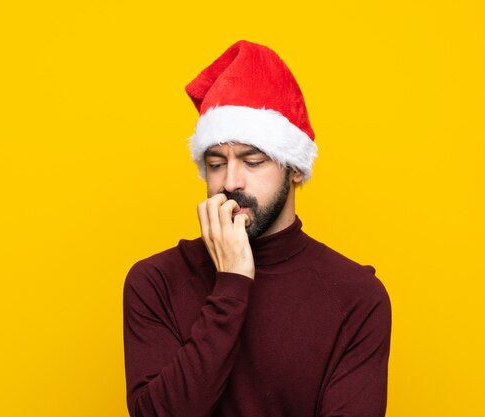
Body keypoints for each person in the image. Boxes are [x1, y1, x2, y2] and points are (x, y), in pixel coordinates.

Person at [123, 40, 392, 417]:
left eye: (252, 161)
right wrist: (232, 283)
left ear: (294, 168)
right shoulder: (155, 282)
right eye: (216, 163)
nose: (231, 182)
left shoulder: (356, 298)